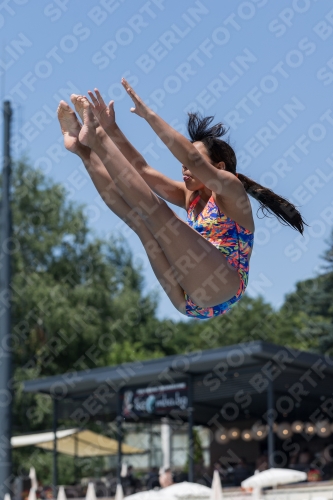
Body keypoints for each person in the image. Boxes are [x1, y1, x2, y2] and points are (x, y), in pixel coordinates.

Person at [57, 79, 305, 319]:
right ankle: (83, 149)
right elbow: (142, 170)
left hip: (223, 286)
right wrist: (113, 128)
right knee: (141, 222)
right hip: (188, 300)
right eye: (183, 166)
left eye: (190, 165)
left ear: (218, 167)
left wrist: (149, 116)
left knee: (159, 216)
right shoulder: (191, 197)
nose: (184, 169)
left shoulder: (231, 189)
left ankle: (97, 138)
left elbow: (191, 160)